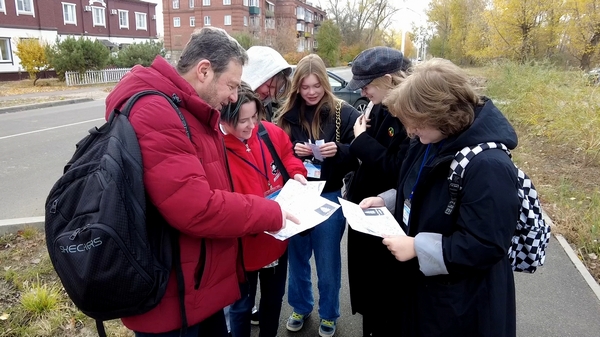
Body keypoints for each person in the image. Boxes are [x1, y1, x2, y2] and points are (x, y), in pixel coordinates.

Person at [104, 27, 298, 336]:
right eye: (231, 85)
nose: (235, 96)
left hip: (192, 288)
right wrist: (268, 212)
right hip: (172, 297)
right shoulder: (156, 111)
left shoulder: (187, 110)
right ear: (204, 71)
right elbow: (195, 207)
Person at [361, 58, 519, 337]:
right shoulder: (432, 140)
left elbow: (485, 244)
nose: (410, 131)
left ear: (440, 113)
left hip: (462, 305)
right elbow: (423, 189)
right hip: (426, 293)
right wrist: (388, 201)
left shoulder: (489, 166)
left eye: (416, 123)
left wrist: (418, 247)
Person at [277, 54, 361, 337]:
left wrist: (340, 150)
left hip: (330, 195)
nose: (311, 92)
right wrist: (293, 152)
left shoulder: (344, 112)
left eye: (316, 86)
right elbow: (277, 155)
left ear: (325, 83)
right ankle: (300, 306)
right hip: (298, 196)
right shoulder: (287, 114)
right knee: (298, 257)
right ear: (297, 87)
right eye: (304, 87)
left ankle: (329, 313)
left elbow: (358, 157)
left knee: (327, 260)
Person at [220, 82, 307, 337]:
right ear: (225, 119)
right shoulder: (217, 149)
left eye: (254, 117)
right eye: (242, 120)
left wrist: (297, 173)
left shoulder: (268, 133)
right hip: (244, 245)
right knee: (241, 305)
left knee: (273, 299)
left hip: (277, 238)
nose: (251, 125)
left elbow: (288, 155)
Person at [343, 46, 412, 337]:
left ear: (387, 78)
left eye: (367, 85)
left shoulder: (409, 113)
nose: (364, 92)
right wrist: (363, 133)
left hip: (388, 220)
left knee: (382, 296)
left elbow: (400, 169)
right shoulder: (381, 105)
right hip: (368, 211)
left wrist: (362, 141)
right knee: (368, 293)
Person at [241, 46, 292, 122]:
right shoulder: (233, 106)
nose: (271, 93)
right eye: (269, 86)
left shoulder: (266, 106)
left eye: (276, 89)